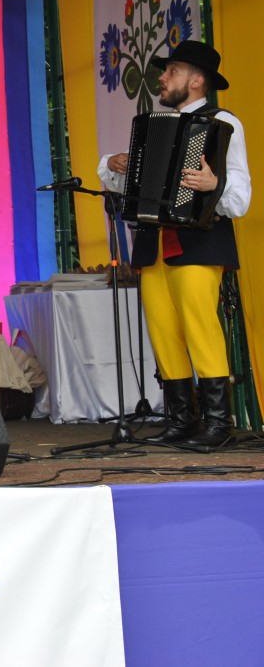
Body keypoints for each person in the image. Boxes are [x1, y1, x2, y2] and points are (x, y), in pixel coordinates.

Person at [98, 39, 251, 447]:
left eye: (172, 71)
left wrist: (214, 184)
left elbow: (240, 198)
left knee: (201, 328)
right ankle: (183, 421)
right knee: (164, 333)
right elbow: (131, 184)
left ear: (197, 80)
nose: (162, 78)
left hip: (199, 242)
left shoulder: (223, 123)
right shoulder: (154, 125)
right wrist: (113, 165)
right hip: (154, 244)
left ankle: (219, 425)